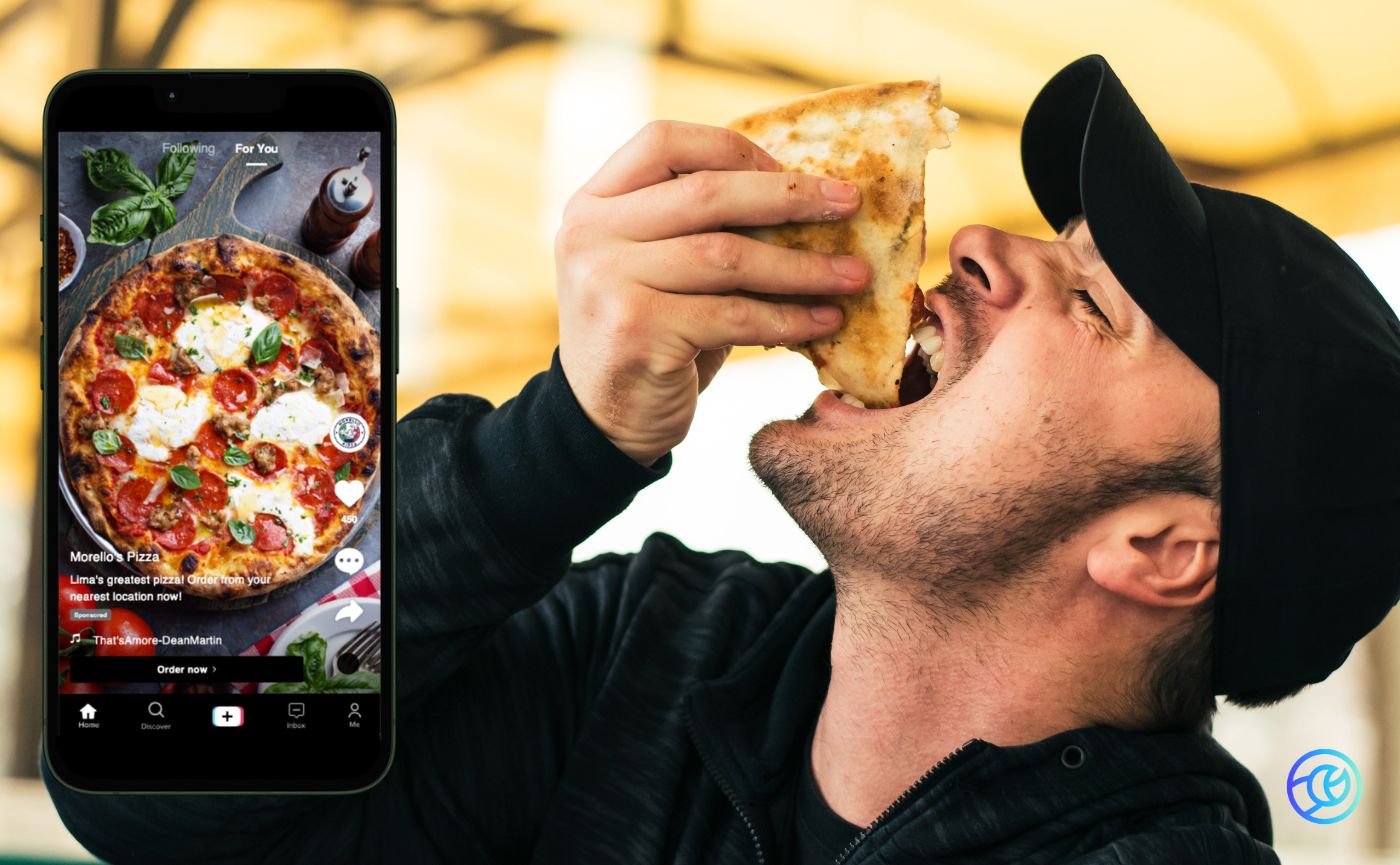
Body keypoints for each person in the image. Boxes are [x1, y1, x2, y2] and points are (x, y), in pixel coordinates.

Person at [46, 54, 1400, 865]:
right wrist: (556, 445)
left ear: (1163, 548)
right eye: (1050, 236)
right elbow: (152, 799)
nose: (981, 242)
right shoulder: (658, 648)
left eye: (1094, 300)